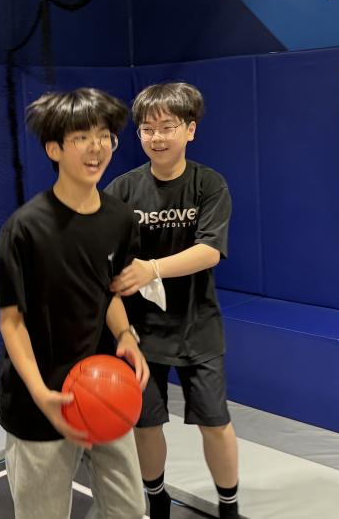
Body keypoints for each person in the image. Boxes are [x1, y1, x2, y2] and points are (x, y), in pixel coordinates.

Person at [0, 88, 150, 519]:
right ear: (54, 149)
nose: (96, 147)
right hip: (39, 401)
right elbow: (12, 322)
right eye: (82, 137)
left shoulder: (120, 219)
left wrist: (125, 335)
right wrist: (41, 394)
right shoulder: (23, 229)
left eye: (104, 136)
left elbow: (109, 292)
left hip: (104, 388)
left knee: (128, 510)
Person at [106, 82, 239, 519]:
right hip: (141, 332)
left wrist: (152, 268)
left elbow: (210, 251)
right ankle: (157, 500)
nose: (157, 137)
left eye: (167, 127)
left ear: (190, 130)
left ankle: (229, 506)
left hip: (198, 326)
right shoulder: (122, 189)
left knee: (215, 423)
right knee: (146, 424)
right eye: (148, 129)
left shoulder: (209, 184)